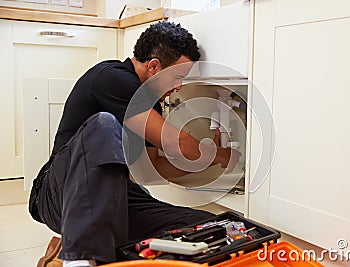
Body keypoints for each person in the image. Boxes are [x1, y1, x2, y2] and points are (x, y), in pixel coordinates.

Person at [28, 21, 240, 267]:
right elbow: (173, 141)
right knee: (103, 124)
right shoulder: (110, 77)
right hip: (59, 193)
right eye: (178, 77)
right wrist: (218, 155)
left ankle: (66, 250)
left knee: (204, 227)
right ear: (153, 66)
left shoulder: (151, 102)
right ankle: (79, 259)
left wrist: (208, 163)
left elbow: (154, 167)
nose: (180, 86)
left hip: (115, 199)